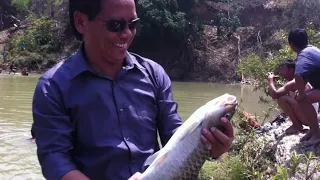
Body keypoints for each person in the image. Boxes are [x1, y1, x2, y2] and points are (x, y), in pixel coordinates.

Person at [31, 0, 234, 179]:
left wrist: (211, 147)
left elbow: (176, 137)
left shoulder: (154, 75)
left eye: (133, 24)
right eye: (115, 25)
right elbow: (55, 161)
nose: (127, 33)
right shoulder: (53, 87)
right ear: (81, 22)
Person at [267, 59, 319, 135]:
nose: (280, 71)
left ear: (291, 70)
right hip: (308, 117)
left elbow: (275, 95)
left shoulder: (295, 81)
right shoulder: (295, 81)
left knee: (282, 99)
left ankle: (297, 125)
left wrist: (270, 81)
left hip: (308, 119)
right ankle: (297, 124)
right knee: (284, 97)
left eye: (282, 69)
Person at [288, 28, 320, 142]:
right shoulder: (313, 49)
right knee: (302, 96)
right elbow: (307, 73)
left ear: (291, 44)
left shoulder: (302, 55)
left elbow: (298, 75)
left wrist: (301, 93)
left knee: (301, 99)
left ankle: (316, 133)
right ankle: (313, 129)